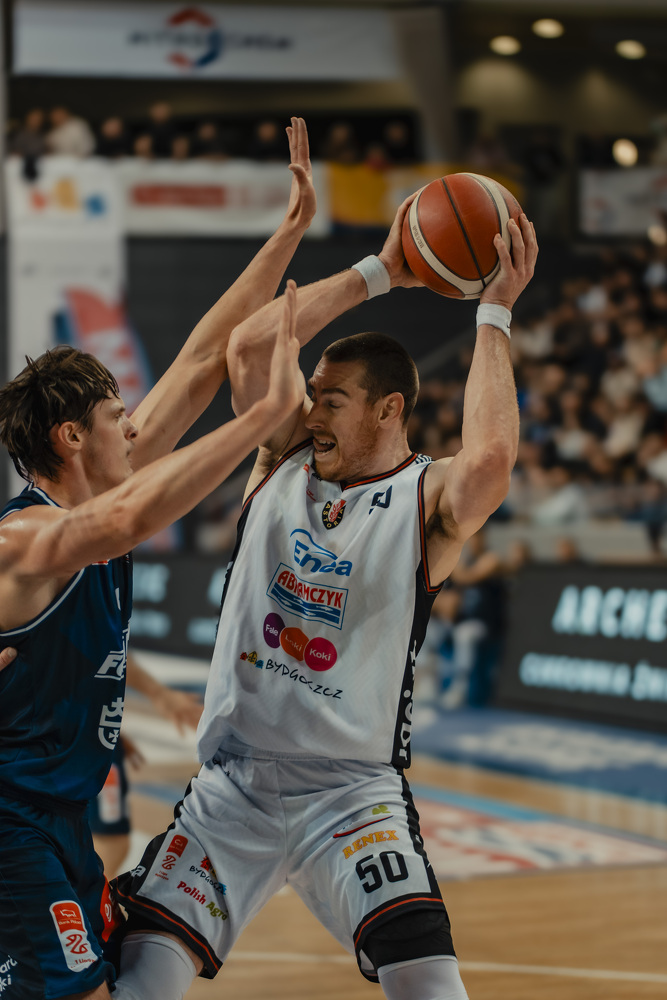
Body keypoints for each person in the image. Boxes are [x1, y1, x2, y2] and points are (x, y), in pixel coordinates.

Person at [112, 155, 538, 998]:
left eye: (331, 399)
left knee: (432, 989)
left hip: (351, 798)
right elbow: (248, 344)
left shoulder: (425, 498)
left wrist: (492, 313)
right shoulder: (279, 457)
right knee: (138, 982)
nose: (309, 411)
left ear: (388, 410)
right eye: (311, 394)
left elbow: (490, 460)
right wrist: (381, 269)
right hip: (228, 792)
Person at [0, 117, 315, 1000]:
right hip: (10, 818)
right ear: (71, 438)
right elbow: (131, 515)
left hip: (59, 816)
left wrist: (299, 236)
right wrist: (260, 423)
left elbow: (208, 356)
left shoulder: (100, 500)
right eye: (116, 419)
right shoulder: (25, 539)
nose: (134, 430)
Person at [88, 651, 203, 878]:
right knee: (109, 845)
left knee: (104, 845)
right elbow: (112, 651)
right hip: (82, 737)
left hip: (83, 732)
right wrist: (159, 694)